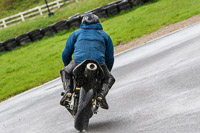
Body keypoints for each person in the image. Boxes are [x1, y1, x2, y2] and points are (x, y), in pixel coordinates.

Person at [60, 13, 115, 109]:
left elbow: (65, 53)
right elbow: (110, 57)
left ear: (83, 23)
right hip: (99, 63)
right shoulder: (105, 35)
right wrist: (107, 72)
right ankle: (101, 95)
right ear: (98, 23)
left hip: (78, 61)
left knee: (65, 71)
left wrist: (68, 65)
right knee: (110, 78)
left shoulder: (76, 33)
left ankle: (68, 91)